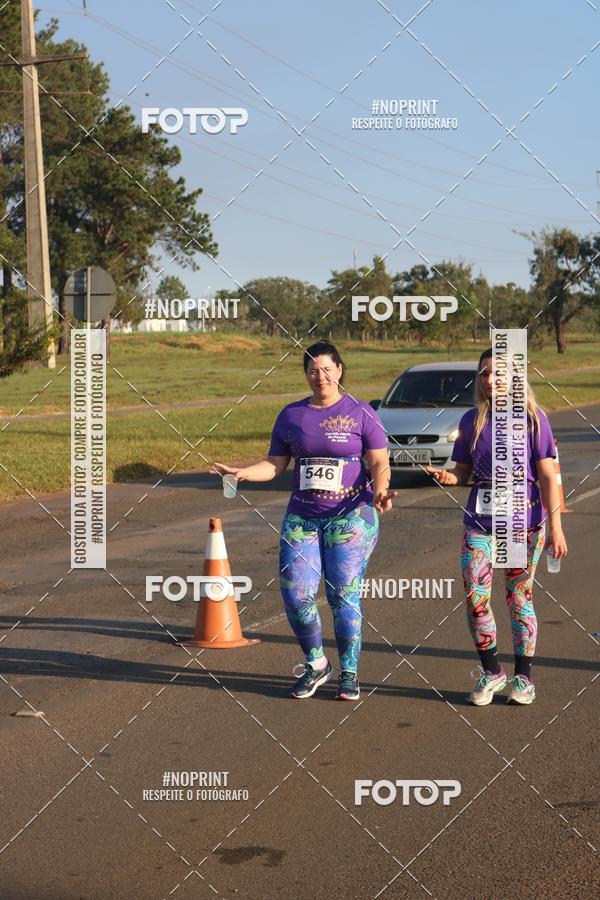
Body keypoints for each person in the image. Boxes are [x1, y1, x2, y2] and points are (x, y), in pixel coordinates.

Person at [211, 341, 396, 701]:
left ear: (340, 370)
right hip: (302, 518)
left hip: (351, 516)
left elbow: (379, 463)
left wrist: (381, 491)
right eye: (313, 370)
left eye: (327, 369)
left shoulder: (361, 413)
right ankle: (316, 665)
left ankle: (349, 672)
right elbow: (276, 465)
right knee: (296, 595)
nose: (320, 376)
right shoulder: (291, 415)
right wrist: (243, 473)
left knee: (343, 596)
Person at [427, 346, 568, 706]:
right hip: (480, 523)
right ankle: (492, 672)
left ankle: (524, 678)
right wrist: (448, 476)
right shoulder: (470, 421)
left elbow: (550, 476)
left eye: (498, 373)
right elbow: (463, 473)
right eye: (485, 373)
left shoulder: (533, 419)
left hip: (523, 523)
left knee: (518, 597)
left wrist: (557, 527)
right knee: (476, 599)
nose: (491, 379)